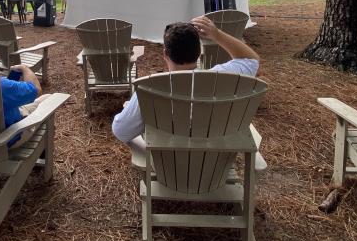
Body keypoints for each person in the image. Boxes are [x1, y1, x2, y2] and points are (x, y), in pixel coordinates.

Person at [112, 15, 267, 170]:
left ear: (165, 54)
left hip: (170, 170)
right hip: (214, 168)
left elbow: (121, 132)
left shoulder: (147, 90)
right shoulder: (224, 78)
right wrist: (216, 34)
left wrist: (129, 110)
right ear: (199, 53)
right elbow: (252, 59)